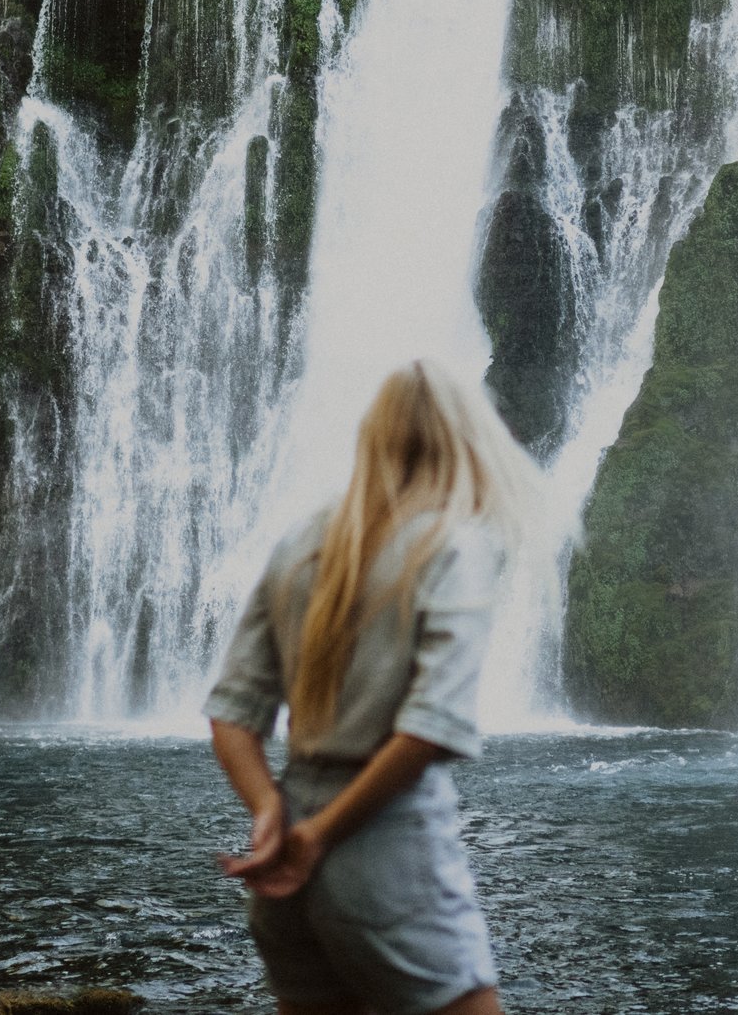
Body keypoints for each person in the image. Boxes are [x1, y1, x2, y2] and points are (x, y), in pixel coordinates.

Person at [205, 360, 535, 1015]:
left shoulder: (300, 542)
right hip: (389, 851)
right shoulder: (453, 545)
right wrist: (324, 834)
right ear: (468, 441)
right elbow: (430, 725)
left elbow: (231, 715)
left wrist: (273, 812)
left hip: (283, 858)